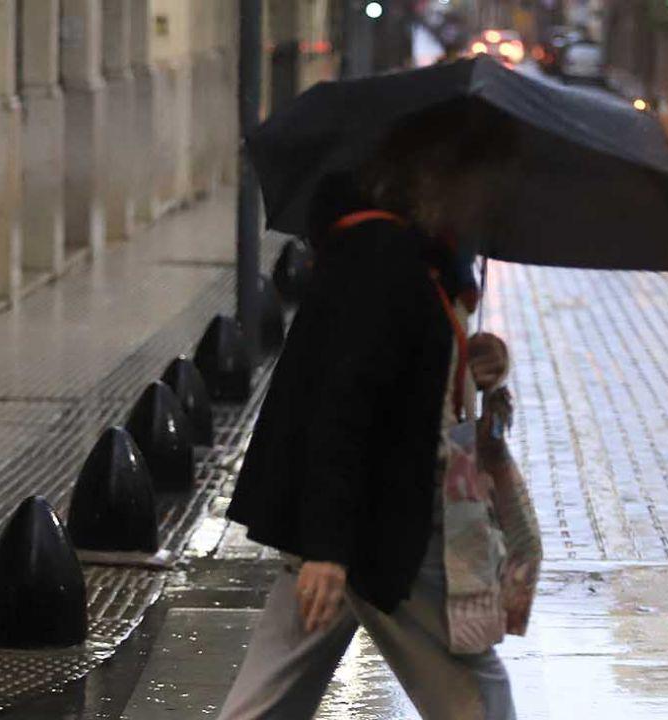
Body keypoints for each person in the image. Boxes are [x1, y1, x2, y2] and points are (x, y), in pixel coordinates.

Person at [219, 102, 517, 720]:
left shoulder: (410, 254)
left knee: (266, 701)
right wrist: (329, 550)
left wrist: (470, 356)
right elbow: (343, 401)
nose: (489, 202)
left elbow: (398, 367)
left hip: (350, 517)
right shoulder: (382, 256)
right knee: (476, 689)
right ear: (440, 177)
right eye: (483, 182)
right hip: (383, 519)